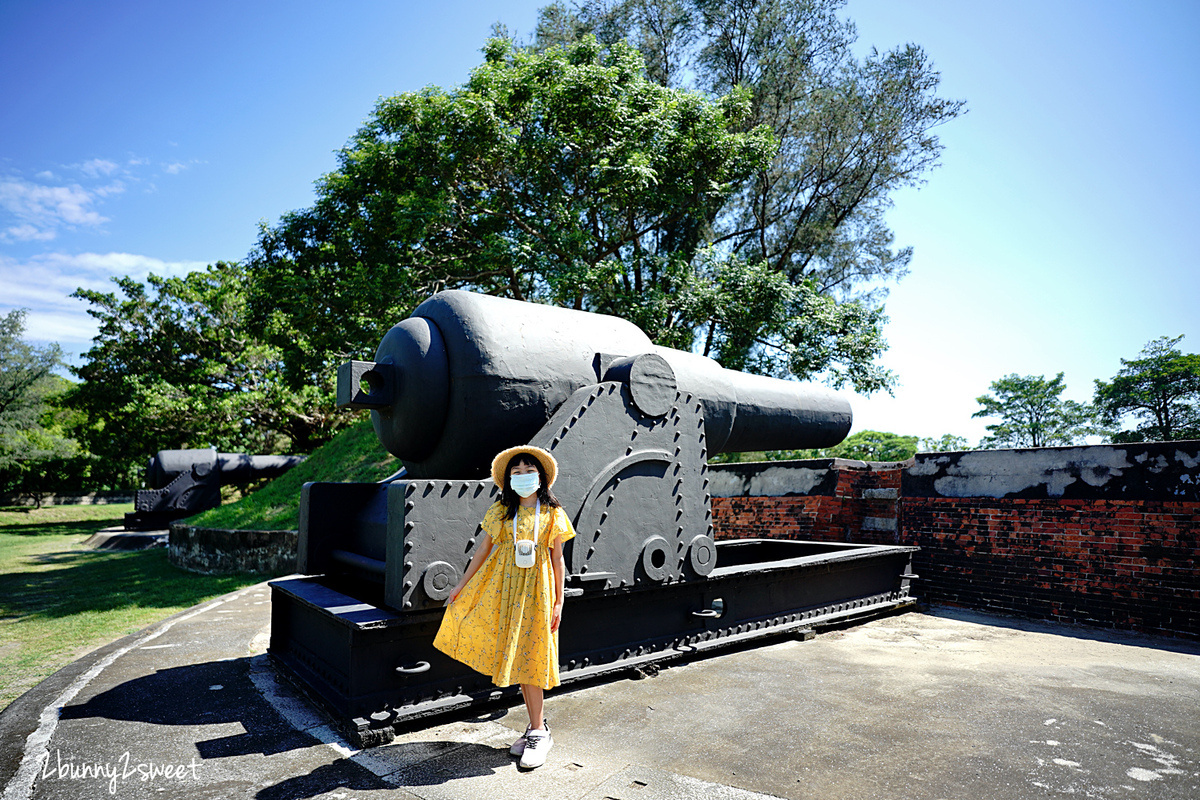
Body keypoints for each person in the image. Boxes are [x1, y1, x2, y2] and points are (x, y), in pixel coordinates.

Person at [433, 445, 575, 770]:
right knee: (522, 656)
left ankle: (539, 730)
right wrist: (461, 586)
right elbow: (483, 551)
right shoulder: (501, 512)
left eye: (529, 471)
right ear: (508, 480)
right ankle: (535, 727)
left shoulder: (553, 514)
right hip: (507, 592)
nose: (523, 477)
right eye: (516, 472)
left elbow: (557, 560)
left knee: (533, 655)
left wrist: (559, 602)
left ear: (541, 477)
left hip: (537, 594)